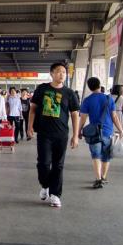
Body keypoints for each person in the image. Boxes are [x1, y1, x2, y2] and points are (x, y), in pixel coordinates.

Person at [27, 62, 80, 208]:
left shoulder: (69, 93)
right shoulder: (42, 89)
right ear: (51, 74)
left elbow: (74, 114)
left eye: (63, 72)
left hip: (61, 135)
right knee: (43, 163)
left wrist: (75, 135)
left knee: (58, 165)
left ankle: (55, 195)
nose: (61, 74)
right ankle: (45, 185)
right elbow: (32, 109)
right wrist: (29, 127)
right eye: (58, 71)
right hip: (44, 133)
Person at [78, 77, 123, 189]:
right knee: (106, 156)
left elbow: (83, 118)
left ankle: (98, 179)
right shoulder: (109, 99)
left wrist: (79, 131)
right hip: (108, 132)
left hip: (94, 132)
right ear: (99, 85)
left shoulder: (87, 100)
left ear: (89, 87)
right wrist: (121, 130)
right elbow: (114, 117)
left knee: (96, 155)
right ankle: (103, 177)